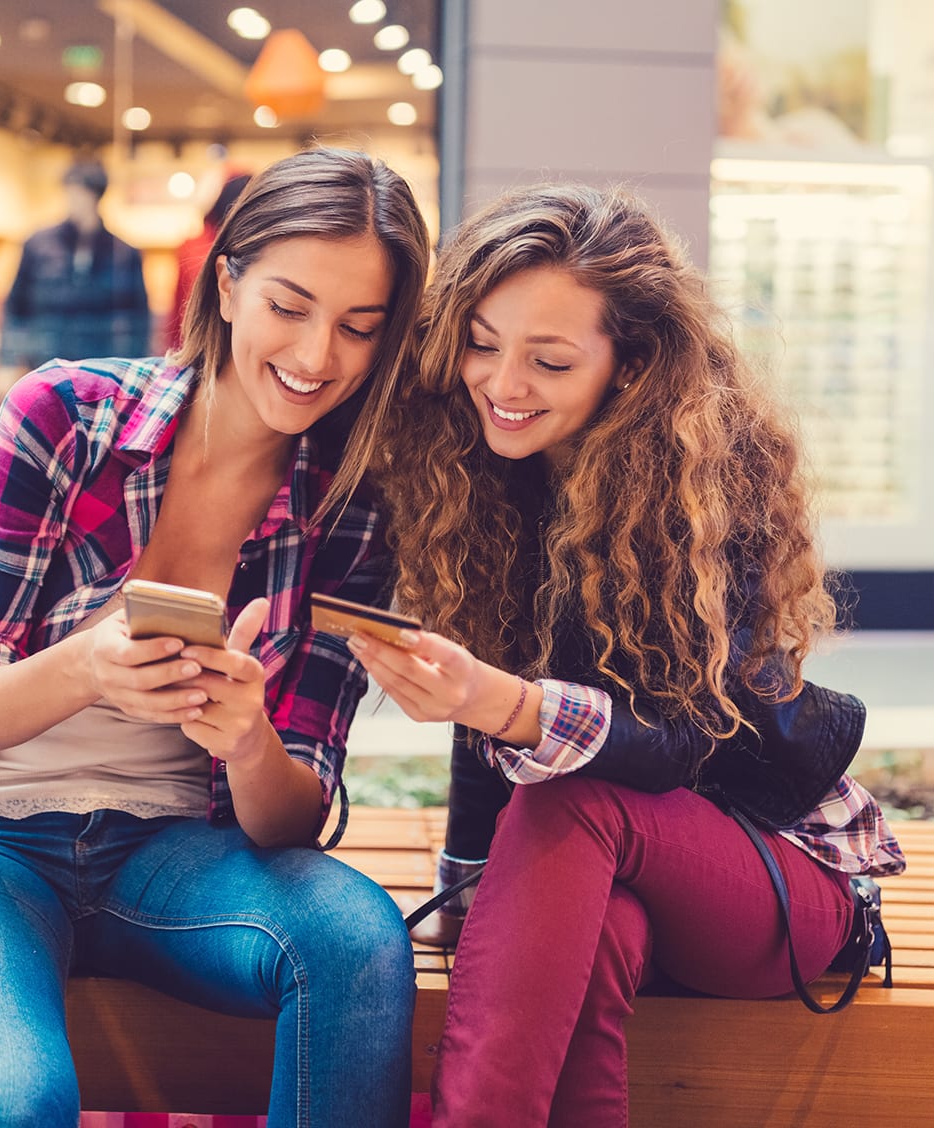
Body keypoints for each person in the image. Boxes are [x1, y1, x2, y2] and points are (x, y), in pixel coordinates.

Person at [0, 146, 431, 1128]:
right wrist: (89, 667)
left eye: (359, 328)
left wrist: (247, 740)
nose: (319, 356)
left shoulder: (353, 512)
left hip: (174, 853)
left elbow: (292, 823)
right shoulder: (63, 417)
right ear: (225, 281)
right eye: (291, 305)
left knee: (356, 939)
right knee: (18, 1101)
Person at [351, 183, 905, 1126]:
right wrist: (466, 898)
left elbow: (674, 750)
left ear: (633, 364)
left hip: (776, 881)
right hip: (613, 882)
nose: (502, 383)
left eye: (549, 359)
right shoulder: (488, 487)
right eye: (482, 344)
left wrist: (505, 706)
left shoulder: (701, 493)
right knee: (593, 937)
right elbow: (485, 728)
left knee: (573, 791)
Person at [0, 157, 150, 395]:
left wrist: (139, 372)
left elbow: (138, 318)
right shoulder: (38, 245)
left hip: (101, 372)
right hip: (45, 365)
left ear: (96, 196)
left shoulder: (123, 254)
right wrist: (6, 361)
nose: (74, 200)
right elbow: (16, 307)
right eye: (70, 192)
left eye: (82, 192)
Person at [160, 168, 253, 352]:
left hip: (196, 345)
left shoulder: (192, 246)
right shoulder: (255, 249)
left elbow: (178, 308)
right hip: (218, 346)